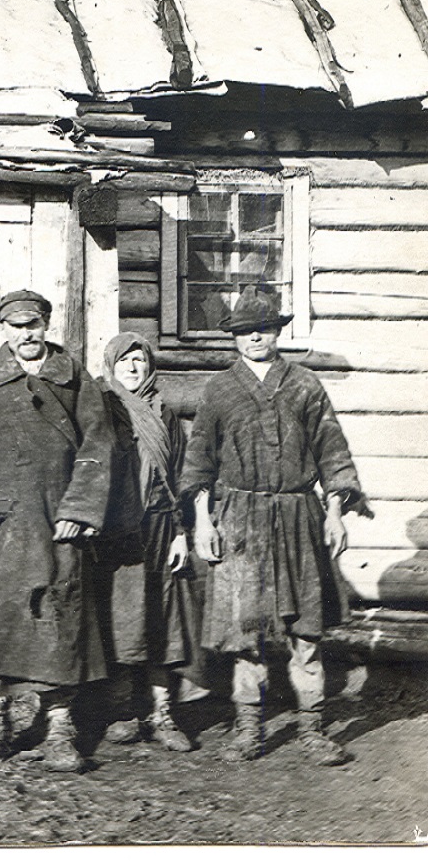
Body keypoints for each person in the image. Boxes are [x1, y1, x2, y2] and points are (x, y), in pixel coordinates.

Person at [179, 285, 374, 766]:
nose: (254, 338)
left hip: (297, 516)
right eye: (245, 331)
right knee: (247, 629)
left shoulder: (306, 384)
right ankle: (249, 726)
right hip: (240, 520)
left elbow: (332, 451)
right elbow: (200, 461)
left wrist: (333, 514)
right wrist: (204, 522)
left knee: (306, 629)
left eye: (263, 329)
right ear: (235, 337)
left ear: (278, 332)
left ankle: (312, 726)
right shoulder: (220, 389)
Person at [0, 290, 115, 772]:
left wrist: (80, 508)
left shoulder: (74, 377)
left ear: (46, 324)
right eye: (17, 327)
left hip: (60, 522)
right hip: (3, 528)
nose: (27, 335)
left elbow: (98, 444)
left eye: (34, 324)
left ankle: (60, 730)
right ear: (3, 330)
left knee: (61, 623)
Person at [99, 332, 201, 753]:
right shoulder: (101, 408)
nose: (134, 368)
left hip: (161, 526)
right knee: (123, 620)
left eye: (140, 360)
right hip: (117, 532)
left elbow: (180, 474)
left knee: (164, 620)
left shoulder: (166, 412)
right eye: (125, 361)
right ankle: (124, 711)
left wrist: (182, 532)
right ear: (112, 366)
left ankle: (162, 713)